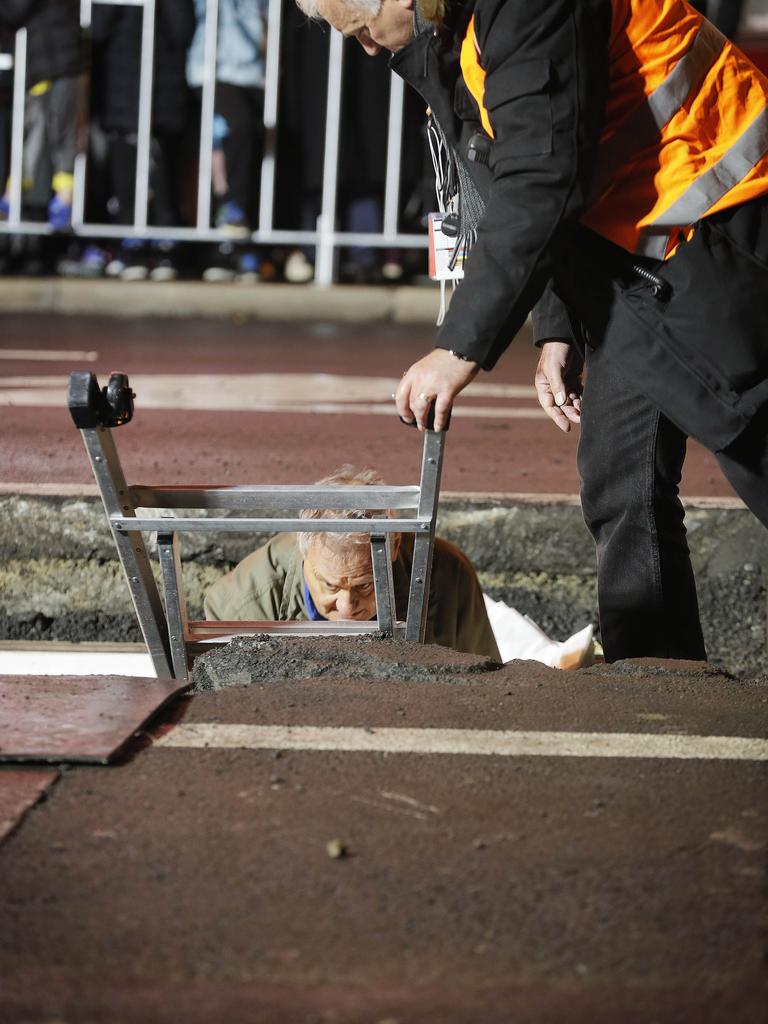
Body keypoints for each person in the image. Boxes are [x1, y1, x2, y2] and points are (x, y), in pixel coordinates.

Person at [298, 0, 768, 665]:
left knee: (755, 446)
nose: (369, 49)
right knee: (620, 485)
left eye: (360, 28)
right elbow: (504, 158)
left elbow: (542, 176)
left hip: (720, 238)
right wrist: (557, 325)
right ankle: (656, 687)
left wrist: (459, 347)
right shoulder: (458, 25)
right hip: (640, 259)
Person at [204, 466, 595, 668]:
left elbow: (479, 682)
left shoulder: (445, 575)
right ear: (305, 555)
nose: (346, 608)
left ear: (392, 551)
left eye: (363, 587)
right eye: (330, 586)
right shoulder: (240, 604)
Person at [0, 0, 86, 230]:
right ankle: (16, 195)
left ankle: (59, 199)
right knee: (40, 130)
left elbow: (14, 10)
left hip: (53, 60)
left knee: (53, 131)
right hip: (49, 60)